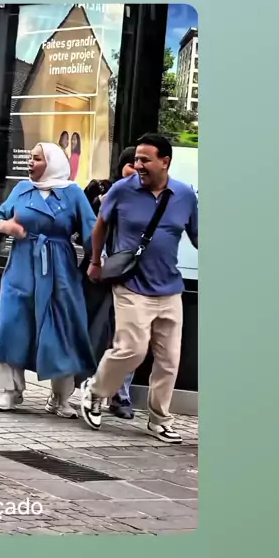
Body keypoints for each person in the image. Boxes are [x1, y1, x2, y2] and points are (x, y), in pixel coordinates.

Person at [80, 133, 198, 443]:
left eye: (145, 160)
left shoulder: (185, 195)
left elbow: (198, 235)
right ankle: (95, 391)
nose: (138, 165)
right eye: (136, 159)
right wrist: (95, 260)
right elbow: (101, 225)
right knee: (131, 349)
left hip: (169, 289)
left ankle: (160, 419)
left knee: (169, 359)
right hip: (131, 285)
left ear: (165, 161)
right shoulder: (122, 190)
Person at [0, 142, 97, 418]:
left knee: (61, 327)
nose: (30, 162)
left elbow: (91, 229)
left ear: (52, 163)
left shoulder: (73, 192)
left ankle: (61, 397)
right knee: (12, 324)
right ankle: (10, 390)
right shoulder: (21, 188)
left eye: (37, 159)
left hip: (59, 268)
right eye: (30, 158)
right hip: (22, 265)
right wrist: (4, 227)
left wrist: (99, 260)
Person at [81, 147, 137, 420]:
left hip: (132, 275)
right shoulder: (104, 190)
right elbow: (86, 226)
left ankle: (119, 394)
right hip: (101, 274)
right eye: (131, 164)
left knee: (129, 337)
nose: (136, 169)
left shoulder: (149, 198)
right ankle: (91, 385)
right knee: (98, 332)